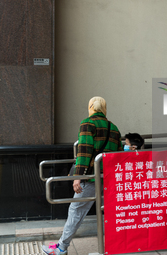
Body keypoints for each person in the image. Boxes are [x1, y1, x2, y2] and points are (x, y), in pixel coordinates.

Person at [42, 96, 123, 255]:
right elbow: (118, 154)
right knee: (111, 212)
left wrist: (77, 177)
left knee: (76, 211)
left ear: (91, 106)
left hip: (91, 178)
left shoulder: (88, 123)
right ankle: (116, 246)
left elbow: (84, 152)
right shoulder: (114, 128)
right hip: (109, 178)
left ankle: (61, 248)